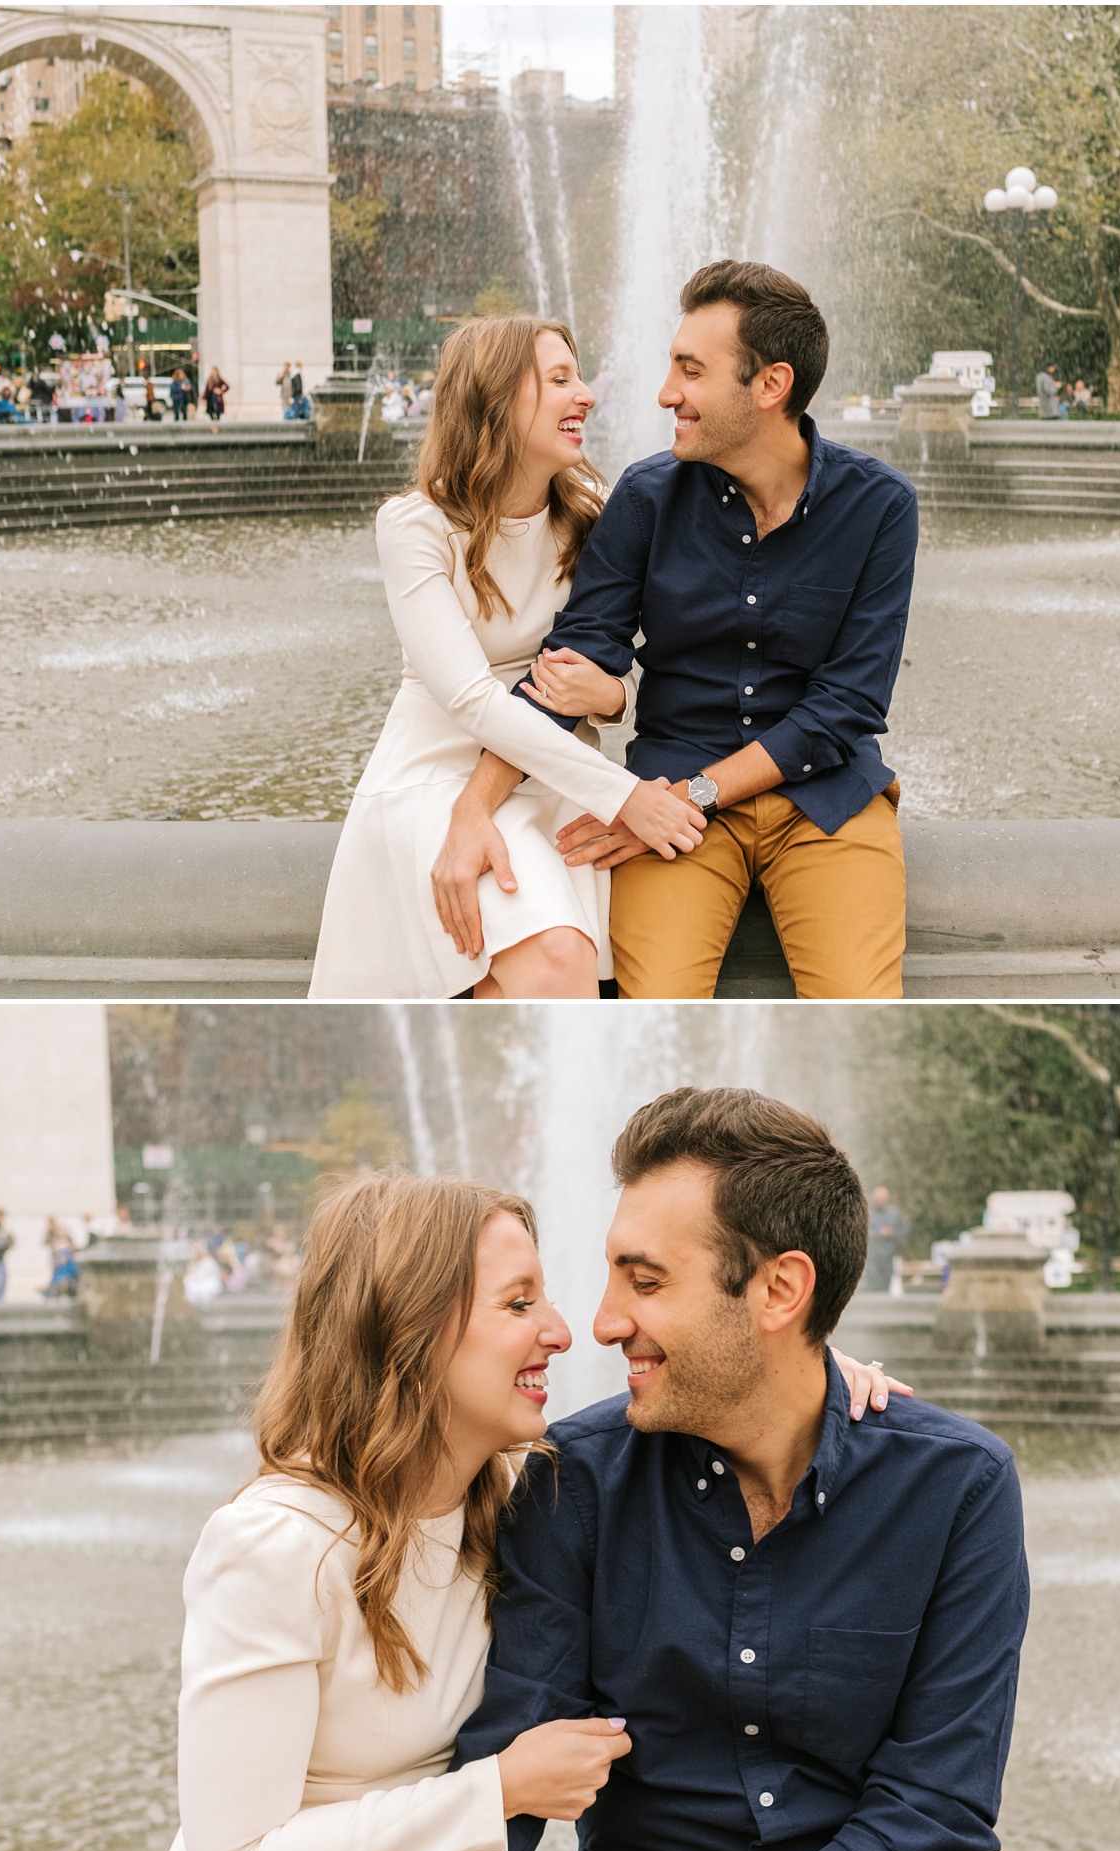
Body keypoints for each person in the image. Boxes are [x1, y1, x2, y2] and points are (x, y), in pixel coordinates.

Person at [111, 1164, 916, 1851]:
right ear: (409, 1331)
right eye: (519, 1303)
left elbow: (727, 1386)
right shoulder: (278, 1546)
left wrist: (805, 1375)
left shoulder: (511, 1507)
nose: (565, 1332)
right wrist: (498, 1787)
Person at [379, 1087, 1025, 1851]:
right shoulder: (577, 1481)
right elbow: (507, 1775)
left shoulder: (958, 1490)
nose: (602, 1322)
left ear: (778, 1290)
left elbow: (928, 1821)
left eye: (645, 1283)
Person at [440, 262, 914, 999]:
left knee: (860, 1005)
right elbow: (569, 668)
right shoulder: (646, 496)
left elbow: (846, 706)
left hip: (825, 801)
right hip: (668, 813)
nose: (666, 394)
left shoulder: (880, 507)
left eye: (690, 371)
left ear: (770, 386)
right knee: (651, 1006)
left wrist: (696, 792)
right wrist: (474, 808)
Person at [309, 316, 707, 1000]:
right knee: (557, 961)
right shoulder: (415, 526)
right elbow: (471, 700)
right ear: (494, 400)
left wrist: (612, 700)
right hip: (437, 775)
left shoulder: (597, 513)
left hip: (555, 778)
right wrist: (625, 796)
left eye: (578, 377)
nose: (585, 395)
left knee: (550, 970)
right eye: (559, 380)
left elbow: (630, 668)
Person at [860, 1183, 905, 1292]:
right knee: (872, 1288)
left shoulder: (894, 1214)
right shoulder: (867, 1213)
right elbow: (861, 1233)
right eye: (878, 1198)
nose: (881, 1201)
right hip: (872, 1258)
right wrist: (879, 1233)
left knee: (886, 1287)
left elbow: (902, 1230)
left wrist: (893, 1233)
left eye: (883, 1198)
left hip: (888, 1257)